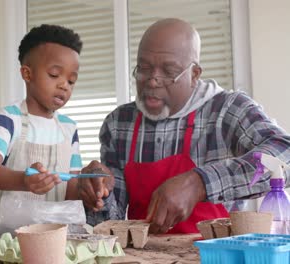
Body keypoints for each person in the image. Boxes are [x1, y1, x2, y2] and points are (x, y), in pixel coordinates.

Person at [78, 18, 290, 234]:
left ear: (194, 74)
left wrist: (200, 182)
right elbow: (110, 223)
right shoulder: (119, 123)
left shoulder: (227, 111)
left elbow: (285, 155)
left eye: (169, 71)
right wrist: (97, 193)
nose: (152, 80)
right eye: (144, 68)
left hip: (215, 254)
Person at [0, 24, 84, 233]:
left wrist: (91, 190)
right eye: (55, 75)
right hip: (7, 237)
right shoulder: (10, 118)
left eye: (71, 81)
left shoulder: (69, 129)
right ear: (27, 74)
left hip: (53, 236)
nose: (64, 85)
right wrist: (24, 181)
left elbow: (71, 187)